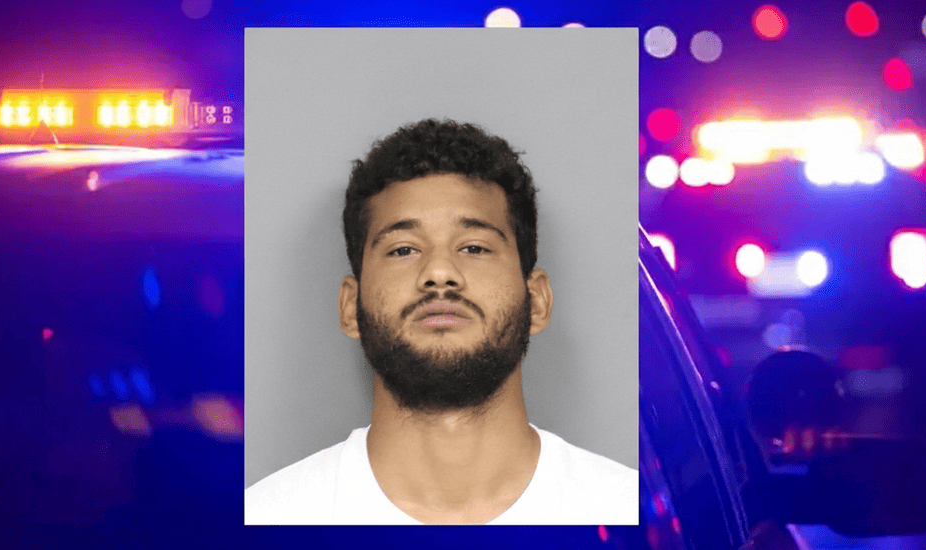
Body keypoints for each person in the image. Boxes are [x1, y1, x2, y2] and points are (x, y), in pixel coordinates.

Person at [245, 119, 638, 525]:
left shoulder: (632, 514)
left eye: (474, 247)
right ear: (350, 306)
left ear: (536, 300)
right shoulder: (266, 517)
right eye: (403, 250)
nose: (439, 272)